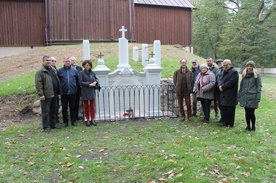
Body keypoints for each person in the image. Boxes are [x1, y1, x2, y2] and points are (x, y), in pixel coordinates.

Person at [35, 55, 61, 132]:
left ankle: (53, 125)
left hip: (54, 93)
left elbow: (56, 80)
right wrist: (41, 94)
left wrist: (59, 91)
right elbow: (38, 84)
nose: (49, 61)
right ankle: (46, 127)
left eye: (49, 60)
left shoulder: (53, 69)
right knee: (45, 111)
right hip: (46, 95)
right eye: (47, 60)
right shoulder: (40, 72)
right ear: (43, 61)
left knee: (54, 109)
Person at [238, 61, 262, 131]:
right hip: (244, 96)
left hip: (252, 96)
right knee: (246, 112)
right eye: (248, 66)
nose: (249, 67)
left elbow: (259, 86)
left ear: (253, 67)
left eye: (251, 66)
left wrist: (258, 97)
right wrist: (239, 96)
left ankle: (253, 126)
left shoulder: (256, 75)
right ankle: (248, 126)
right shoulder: (244, 75)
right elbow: (241, 86)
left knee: (251, 112)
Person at [57, 56, 79, 127]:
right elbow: (58, 81)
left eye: (69, 61)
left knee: (73, 107)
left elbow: (77, 80)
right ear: (64, 62)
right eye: (66, 61)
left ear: (70, 62)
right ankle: (65, 122)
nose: (68, 62)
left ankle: (73, 121)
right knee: (64, 108)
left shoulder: (74, 70)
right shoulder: (60, 71)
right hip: (64, 92)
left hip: (73, 92)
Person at [219, 59, 239, 128]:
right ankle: (226, 122)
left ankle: (230, 124)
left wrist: (223, 86)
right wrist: (220, 85)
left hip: (231, 94)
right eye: (223, 65)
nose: (225, 67)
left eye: (226, 65)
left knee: (230, 110)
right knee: (224, 109)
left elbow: (231, 82)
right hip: (224, 93)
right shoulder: (224, 71)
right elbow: (221, 79)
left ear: (230, 64)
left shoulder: (234, 72)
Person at [78, 60, 99, 126]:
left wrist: (95, 82)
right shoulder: (81, 73)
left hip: (92, 91)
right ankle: (87, 120)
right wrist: (89, 84)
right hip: (85, 91)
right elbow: (80, 82)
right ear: (84, 66)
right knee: (86, 106)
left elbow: (96, 79)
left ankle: (93, 119)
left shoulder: (92, 72)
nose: (88, 66)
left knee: (92, 106)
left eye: (89, 65)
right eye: (86, 65)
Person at [70, 56, 83, 120]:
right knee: (71, 103)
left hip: (78, 88)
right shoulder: (68, 68)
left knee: (77, 102)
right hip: (71, 88)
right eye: (72, 60)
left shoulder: (79, 68)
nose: (74, 61)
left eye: (75, 60)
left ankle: (76, 115)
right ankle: (72, 116)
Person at [50, 56, 60, 123]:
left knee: (56, 106)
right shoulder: (49, 70)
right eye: (52, 61)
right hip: (50, 91)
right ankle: (51, 120)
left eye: (54, 61)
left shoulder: (56, 70)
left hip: (56, 91)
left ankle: (56, 119)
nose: (53, 62)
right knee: (51, 107)